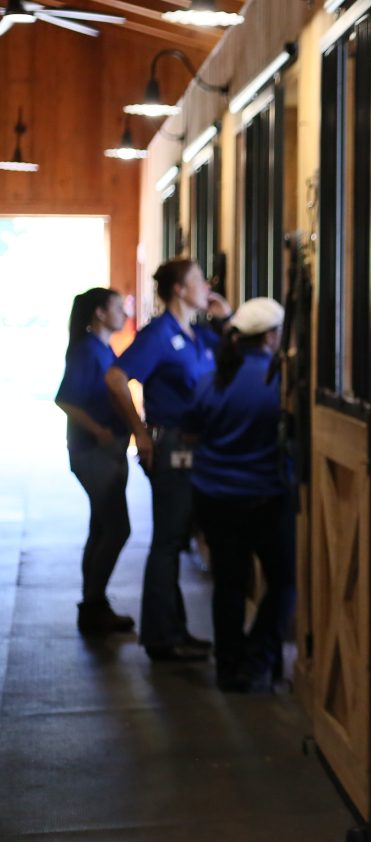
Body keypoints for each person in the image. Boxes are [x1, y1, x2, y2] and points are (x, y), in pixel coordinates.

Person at [106, 259, 230, 662]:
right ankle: (160, 636)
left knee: (177, 539)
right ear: (178, 288)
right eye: (197, 279)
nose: (205, 285)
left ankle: (173, 629)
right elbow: (115, 377)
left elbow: (232, 353)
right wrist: (139, 432)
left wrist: (226, 319)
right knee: (168, 540)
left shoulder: (195, 335)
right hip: (173, 445)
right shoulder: (160, 333)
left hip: (200, 449)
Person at [183, 297, 296, 692]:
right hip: (265, 497)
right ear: (270, 336)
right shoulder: (280, 384)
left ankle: (228, 667)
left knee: (229, 583)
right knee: (283, 581)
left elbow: (190, 430)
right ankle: (259, 656)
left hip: (214, 496)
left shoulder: (211, 378)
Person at [55, 287, 134, 635]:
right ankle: (93, 603)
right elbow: (65, 399)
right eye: (118, 308)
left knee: (102, 527)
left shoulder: (101, 347)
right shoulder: (87, 350)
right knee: (117, 528)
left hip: (103, 450)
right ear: (100, 313)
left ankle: (94, 604)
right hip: (93, 451)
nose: (124, 314)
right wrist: (99, 429)